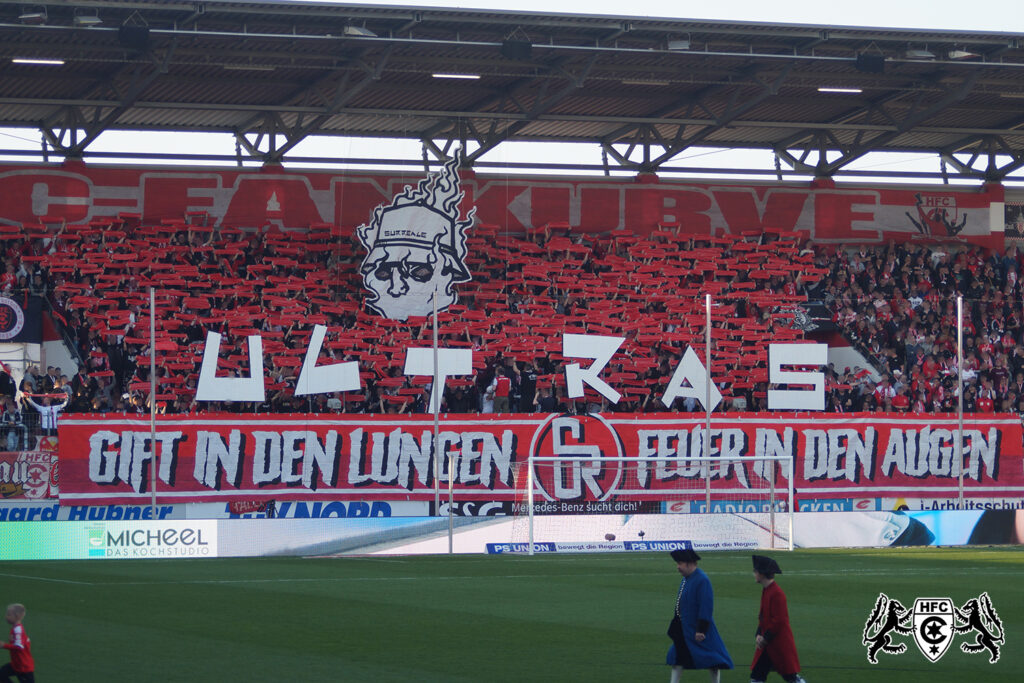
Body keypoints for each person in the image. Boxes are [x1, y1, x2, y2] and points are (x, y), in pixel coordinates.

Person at [666, 548, 733, 683]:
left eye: (680, 563)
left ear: (690, 564)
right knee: (676, 659)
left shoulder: (702, 580)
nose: (678, 567)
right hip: (685, 630)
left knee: (713, 660)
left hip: (698, 629)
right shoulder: (686, 579)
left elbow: (706, 606)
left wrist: (701, 629)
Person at [751, 555, 806, 683]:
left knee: (790, 676)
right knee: (758, 675)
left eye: (755, 571)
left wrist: (764, 637)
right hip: (770, 642)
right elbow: (763, 617)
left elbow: (779, 621)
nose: (754, 573)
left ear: (762, 574)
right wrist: (759, 634)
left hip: (777, 643)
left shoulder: (776, 593)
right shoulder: (768, 590)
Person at [0, 603, 34, 683]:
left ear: (17, 616)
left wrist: (3, 645)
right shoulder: (15, 629)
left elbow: (19, 647)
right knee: (1, 674)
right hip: (16, 665)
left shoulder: (18, 630)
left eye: (9, 615)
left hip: (24, 667)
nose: (6, 617)